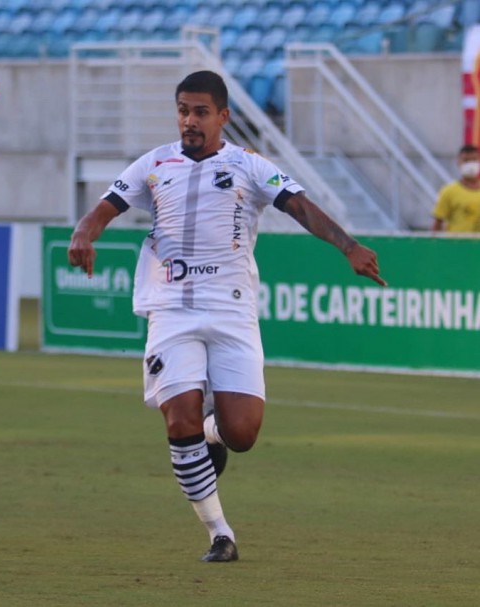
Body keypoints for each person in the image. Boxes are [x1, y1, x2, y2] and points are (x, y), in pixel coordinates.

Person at [67, 70, 386, 562]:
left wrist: (348, 247)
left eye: (199, 112)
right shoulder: (155, 163)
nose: (188, 121)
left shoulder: (248, 165)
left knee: (242, 435)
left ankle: (212, 428)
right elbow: (106, 206)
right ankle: (220, 533)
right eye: (182, 110)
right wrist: (84, 232)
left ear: (223, 116)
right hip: (170, 307)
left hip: (232, 306)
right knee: (179, 419)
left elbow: (299, 206)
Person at [431, 144, 480, 233]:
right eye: (466, 161)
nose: (470, 164)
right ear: (458, 162)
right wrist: (433, 245)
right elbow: (438, 222)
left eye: (474, 160)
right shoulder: (449, 191)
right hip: (456, 244)